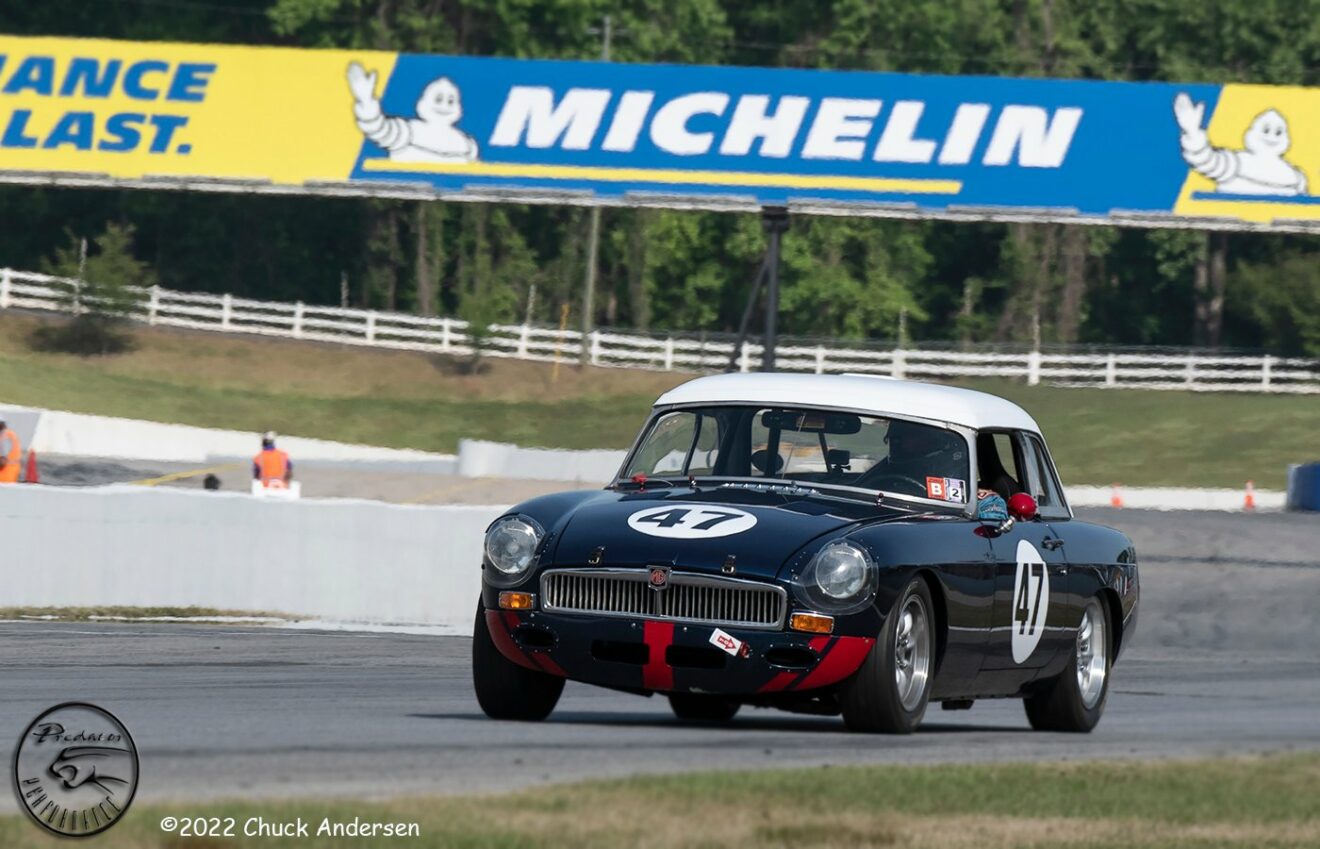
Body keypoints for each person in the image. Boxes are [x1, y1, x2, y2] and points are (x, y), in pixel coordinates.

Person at [0, 419, 21, 484]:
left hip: (4, 473)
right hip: (11, 471)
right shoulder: (11, 434)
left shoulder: (3, 437)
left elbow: (2, 461)